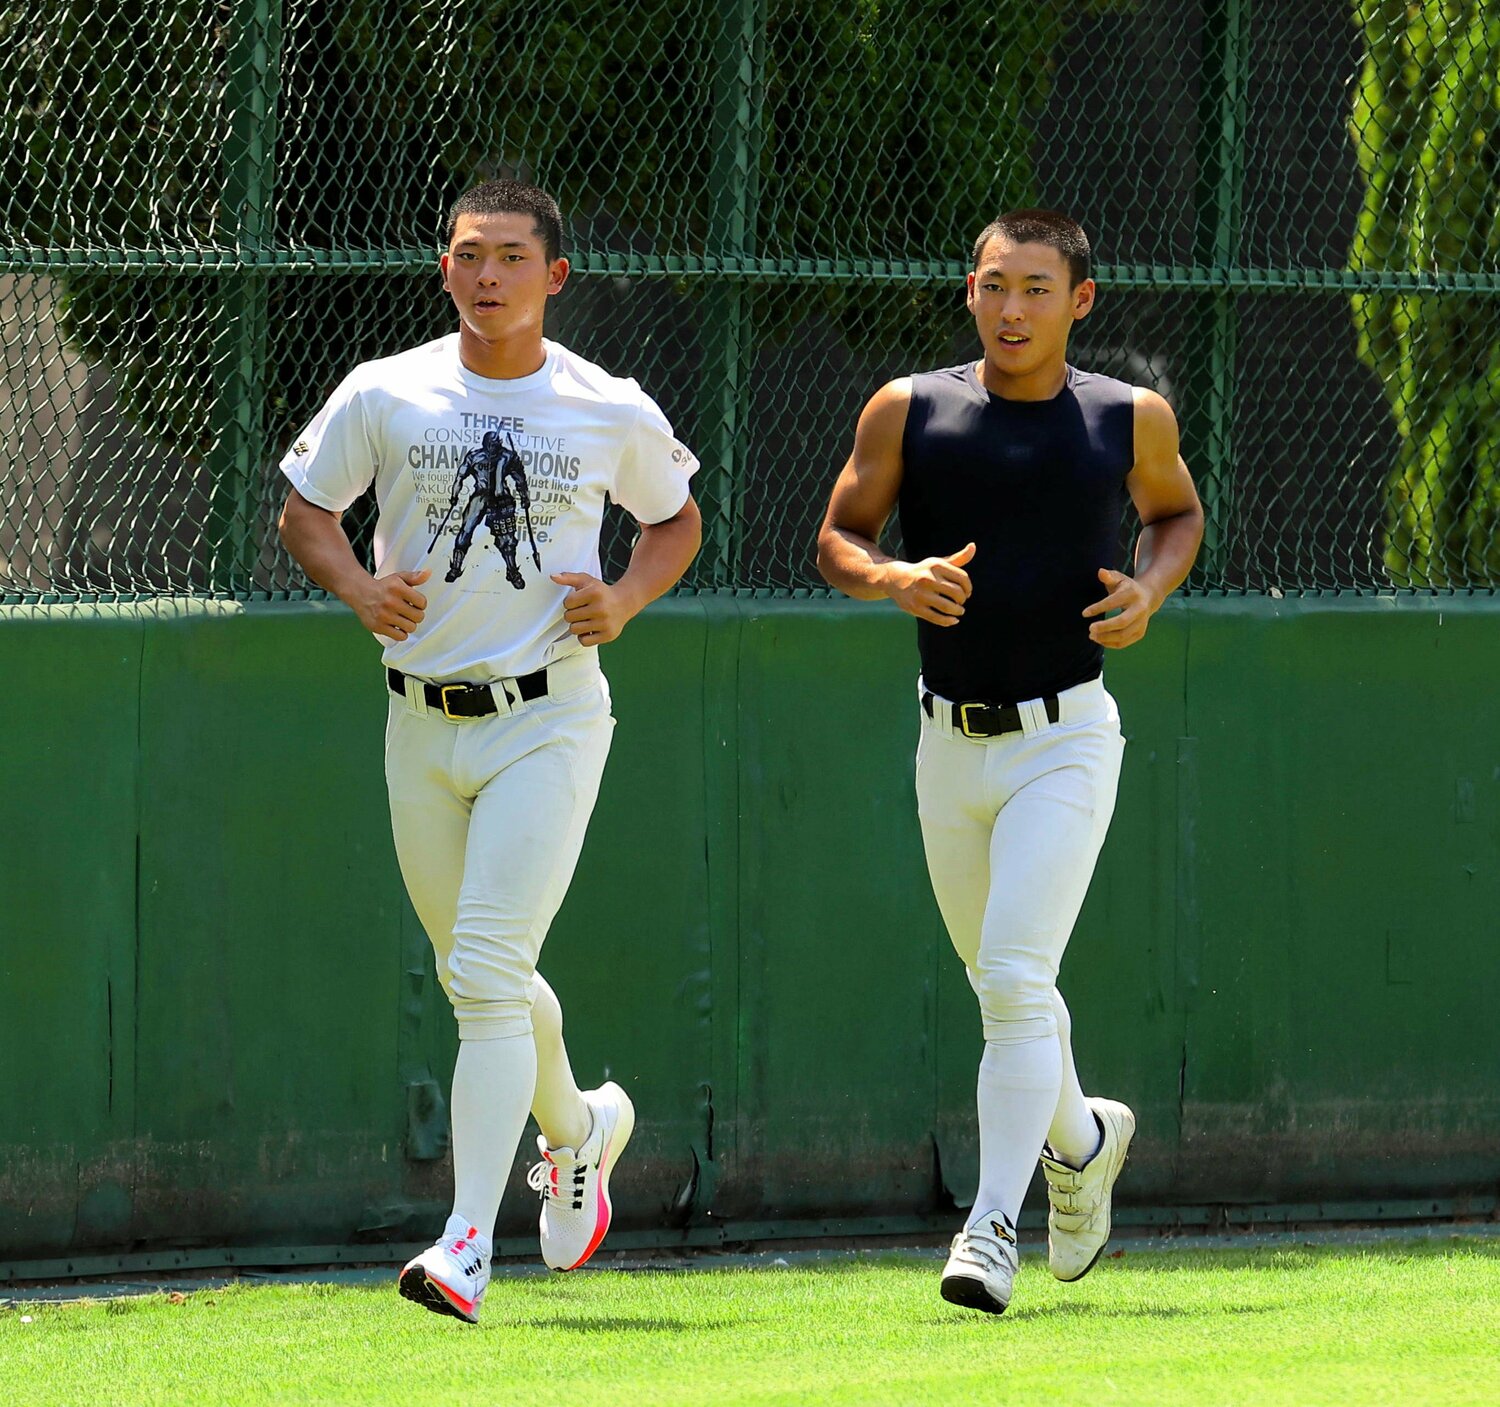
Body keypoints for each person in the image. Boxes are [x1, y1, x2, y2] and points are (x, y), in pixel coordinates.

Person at [277, 178, 701, 1323]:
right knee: (485, 972)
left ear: (554, 276)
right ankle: (581, 1129)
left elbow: (676, 519)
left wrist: (625, 596)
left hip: (548, 716)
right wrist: (361, 588)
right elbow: (305, 507)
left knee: (483, 970)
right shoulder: (387, 389)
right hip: (419, 719)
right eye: (470, 254)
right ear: (445, 264)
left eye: (512, 257)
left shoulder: (604, 403)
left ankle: (466, 1241)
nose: (488, 276)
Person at [816, 209, 1202, 1315]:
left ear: (1081, 299)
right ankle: (1083, 1141)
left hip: (1067, 737)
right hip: (949, 742)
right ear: (970, 291)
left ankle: (991, 1228)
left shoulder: (1129, 417)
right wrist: (894, 578)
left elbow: (1176, 517)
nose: (1012, 308)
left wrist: (1149, 586)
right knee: (1005, 984)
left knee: (1016, 980)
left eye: (1037, 287)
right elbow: (839, 536)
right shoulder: (912, 408)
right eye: (995, 285)